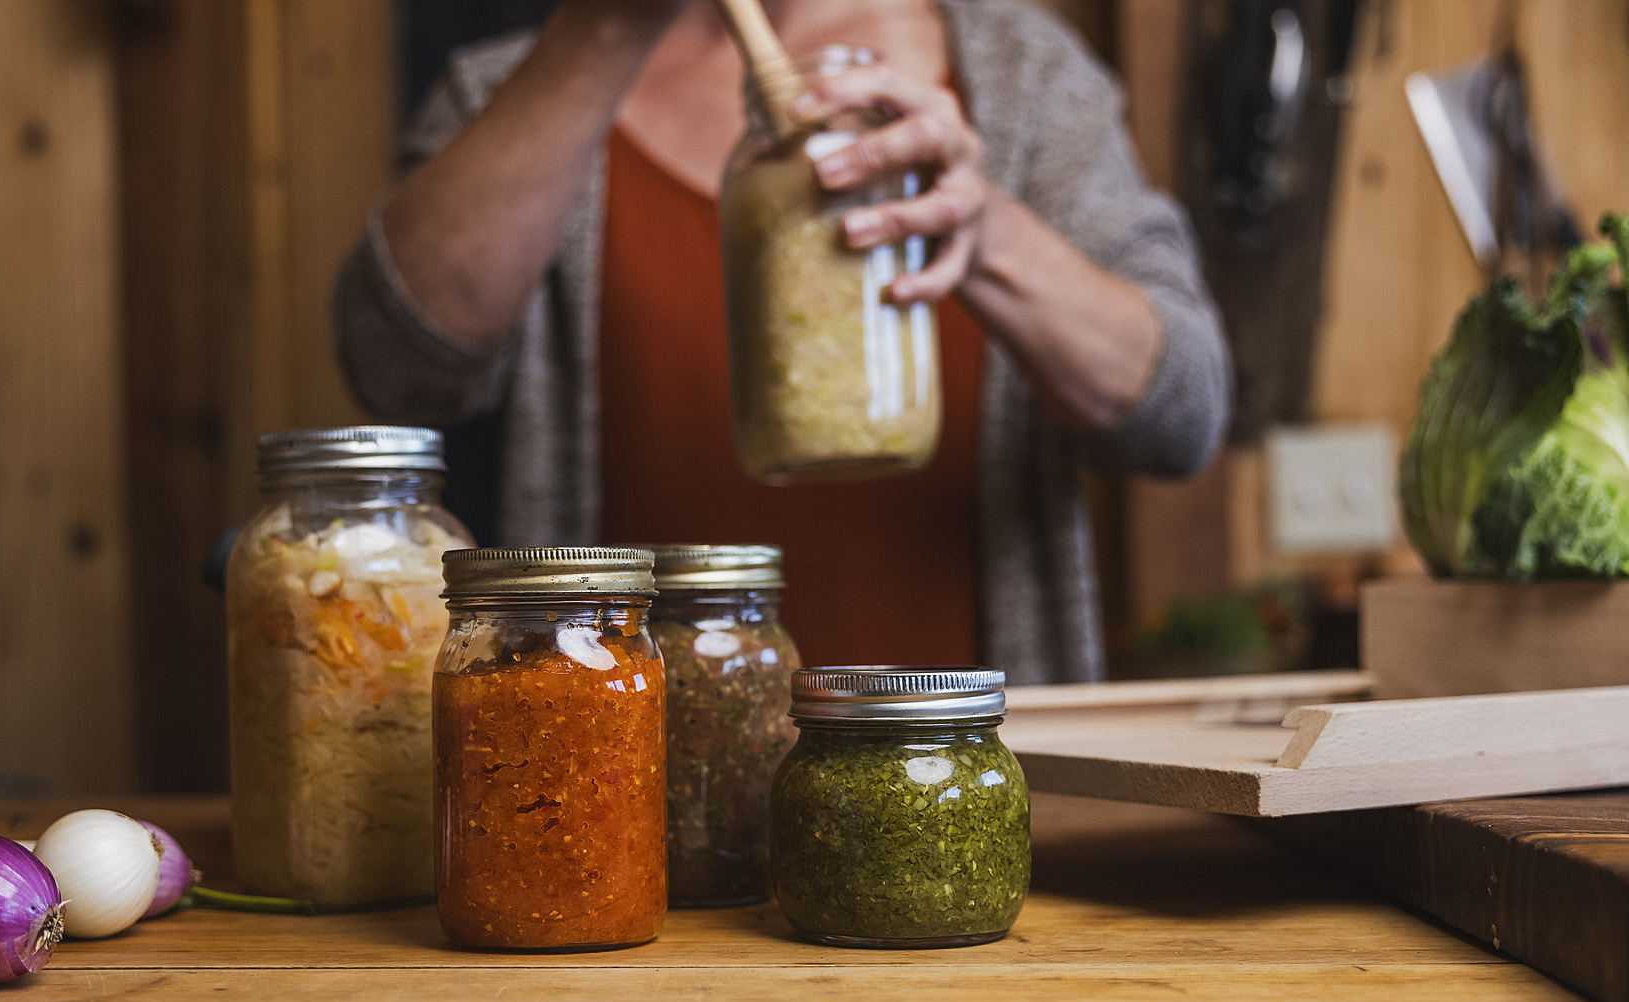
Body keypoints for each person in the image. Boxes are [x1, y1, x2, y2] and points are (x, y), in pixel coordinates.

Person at [335, 0, 1231, 682]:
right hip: (627, 781)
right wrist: (607, 24)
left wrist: (985, 228)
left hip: (965, 766)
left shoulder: (1024, 76)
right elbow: (393, 363)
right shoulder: (507, 89)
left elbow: (1180, 411)